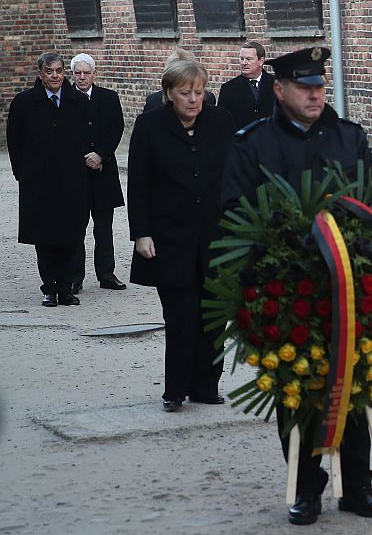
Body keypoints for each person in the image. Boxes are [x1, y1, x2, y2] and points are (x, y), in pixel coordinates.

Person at [220, 46, 372, 527]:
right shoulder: (252, 144)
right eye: (305, 87)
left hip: (349, 290)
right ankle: (305, 490)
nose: (316, 95)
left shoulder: (349, 138)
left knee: (358, 386)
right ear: (280, 90)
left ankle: (357, 485)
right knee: (296, 392)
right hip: (288, 294)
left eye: (320, 87)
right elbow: (233, 212)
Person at [127, 54, 235, 412]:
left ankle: (206, 384)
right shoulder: (150, 125)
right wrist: (141, 233)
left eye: (200, 93)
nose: (193, 100)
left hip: (216, 235)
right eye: (186, 92)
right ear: (169, 92)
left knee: (215, 314)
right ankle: (175, 388)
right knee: (180, 315)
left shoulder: (221, 122)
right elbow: (139, 183)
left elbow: (235, 177)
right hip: (170, 237)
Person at [7, 53, 90, 307]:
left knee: (71, 233)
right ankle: (49, 287)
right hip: (39, 181)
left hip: (71, 179)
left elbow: (86, 136)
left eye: (59, 71)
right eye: (49, 71)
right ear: (40, 74)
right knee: (44, 236)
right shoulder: (24, 103)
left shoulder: (77, 101)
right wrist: (23, 173)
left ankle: (66, 287)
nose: (55, 76)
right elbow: (15, 142)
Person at [68, 53, 127, 293]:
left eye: (86, 72)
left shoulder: (109, 97)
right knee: (75, 228)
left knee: (104, 228)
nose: (82, 77)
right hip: (76, 174)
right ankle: (74, 277)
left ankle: (106, 274)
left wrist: (101, 154)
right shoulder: (66, 99)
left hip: (104, 171)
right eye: (77, 73)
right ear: (72, 75)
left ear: (95, 73)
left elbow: (117, 127)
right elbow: (64, 134)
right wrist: (84, 158)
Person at [218, 40, 276, 130]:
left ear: (261, 61)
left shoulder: (276, 85)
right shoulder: (228, 89)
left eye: (248, 59)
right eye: (242, 59)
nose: (244, 63)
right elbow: (222, 123)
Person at [141, 50, 216, 114]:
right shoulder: (154, 101)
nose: (193, 99)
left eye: (198, 92)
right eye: (185, 93)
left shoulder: (208, 99)